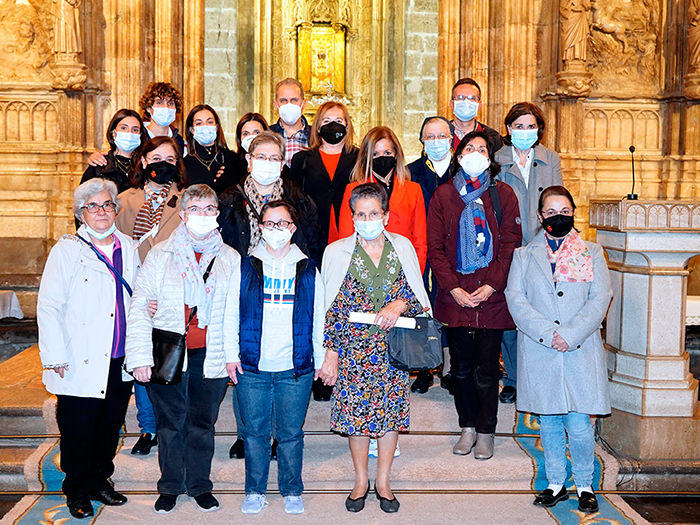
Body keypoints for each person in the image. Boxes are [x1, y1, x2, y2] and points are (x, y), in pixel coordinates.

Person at [125, 184, 241, 514]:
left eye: (209, 210)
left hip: (211, 352)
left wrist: (232, 357)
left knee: (202, 424)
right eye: (195, 210)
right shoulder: (161, 254)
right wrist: (139, 358)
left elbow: (233, 312)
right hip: (168, 350)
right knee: (170, 423)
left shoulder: (229, 257)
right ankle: (171, 485)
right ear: (184, 214)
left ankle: (200, 485)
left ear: (217, 214)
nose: (202, 216)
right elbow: (139, 306)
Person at [323, 183, 431, 514]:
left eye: (374, 213)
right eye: (361, 214)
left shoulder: (403, 248)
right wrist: (331, 354)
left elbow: (419, 296)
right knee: (356, 418)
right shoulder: (337, 251)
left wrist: (398, 305)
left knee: (388, 418)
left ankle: (383, 481)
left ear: (385, 215)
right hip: (353, 350)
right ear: (352, 216)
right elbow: (331, 309)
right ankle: (360, 480)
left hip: (392, 349)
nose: (367, 219)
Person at [505, 185, 612, 515]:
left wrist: (570, 333)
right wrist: (548, 334)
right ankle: (555, 483)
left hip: (580, 349)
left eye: (564, 211)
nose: (558, 217)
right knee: (549, 423)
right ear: (540, 216)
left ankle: (584, 484)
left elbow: (600, 298)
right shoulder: (523, 256)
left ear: (573, 213)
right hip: (541, 350)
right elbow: (516, 299)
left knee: (580, 425)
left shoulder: (591, 252)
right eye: (551, 212)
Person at [37, 179, 140, 519]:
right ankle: (77, 489)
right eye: (93, 206)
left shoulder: (128, 245)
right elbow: (49, 306)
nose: (101, 211)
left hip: (119, 356)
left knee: (110, 425)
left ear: (115, 209)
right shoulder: (66, 249)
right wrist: (54, 358)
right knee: (78, 427)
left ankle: (100, 480)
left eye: (107, 205)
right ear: (80, 213)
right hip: (79, 356)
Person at [227, 200, 336, 515]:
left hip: (294, 368)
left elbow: (318, 319)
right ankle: (255, 489)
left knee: (290, 433)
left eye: (282, 223)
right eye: (269, 223)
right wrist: (231, 355)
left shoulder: (307, 269)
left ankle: (291, 489)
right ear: (261, 228)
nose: (275, 229)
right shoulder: (245, 266)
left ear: (292, 228)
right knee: (255, 432)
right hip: (253, 367)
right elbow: (230, 314)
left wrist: (318, 358)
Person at [427, 130, 522, 460]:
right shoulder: (442, 196)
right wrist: (452, 286)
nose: (476, 153)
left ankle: (486, 432)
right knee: (462, 370)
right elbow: (435, 248)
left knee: (486, 371)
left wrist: (492, 285)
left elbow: (511, 245)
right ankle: (466, 427)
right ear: (459, 154)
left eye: (483, 149)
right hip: (455, 298)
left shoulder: (504, 195)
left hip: (491, 298)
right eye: (470, 148)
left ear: (491, 157)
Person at [116, 135, 188, 455]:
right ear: (143, 161)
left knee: (163, 358)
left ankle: (168, 422)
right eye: (156, 157)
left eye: (170, 160)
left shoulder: (185, 201)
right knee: (140, 356)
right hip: (132, 288)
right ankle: (147, 427)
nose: (163, 164)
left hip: (168, 289)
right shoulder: (123, 200)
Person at [289, 101, 358, 402]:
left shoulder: (357, 157)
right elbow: (293, 202)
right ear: (317, 126)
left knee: (346, 307)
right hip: (313, 243)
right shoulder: (303, 159)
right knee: (316, 309)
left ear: (347, 124)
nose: (333, 125)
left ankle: (346, 371)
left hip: (348, 241)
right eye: (327, 119)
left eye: (339, 119)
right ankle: (318, 373)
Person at [495, 102, 563, 405]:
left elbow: (558, 200)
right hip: (508, 248)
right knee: (512, 313)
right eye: (518, 126)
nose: (525, 132)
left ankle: (539, 375)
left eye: (530, 126)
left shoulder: (550, 159)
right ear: (509, 129)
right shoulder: (496, 159)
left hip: (542, 246)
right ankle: (511, 377)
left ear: (539, 129)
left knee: (542, 311)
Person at [218, 130, 320, 263]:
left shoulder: (299, 201)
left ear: (282, 164)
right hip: (242, 274)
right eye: (260, 157)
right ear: (249, 160)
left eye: (274, 158)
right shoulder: (229, 201)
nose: (267, 162)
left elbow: (312, 246)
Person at [407, 116, 454, 394]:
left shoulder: (461, 170)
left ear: (451, 138)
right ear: (422, 141)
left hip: (452, 250)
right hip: (419, 247)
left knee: (447, 303)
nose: (436, 141)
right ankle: (424, 368)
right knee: (422, 302)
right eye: (430, 136)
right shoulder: (411, 171)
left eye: (441, 136)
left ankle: (448, 368)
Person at [337, 126, 427, 273]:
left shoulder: (413, 190)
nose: (382, 157)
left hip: (403, 266)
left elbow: (420, 242)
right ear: (367, 157)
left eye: (387, 152)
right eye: (375, 154)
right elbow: (345, 239)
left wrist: (414, 275)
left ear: (396, 154)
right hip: (364, 269)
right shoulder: (353, 189)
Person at [86, 82, 186, 168]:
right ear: (148, 108)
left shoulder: (180, 141)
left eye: (170, 103)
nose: (166, 107)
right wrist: (97, 157)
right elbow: (115, 156)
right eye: (159, 102)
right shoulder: (134, 136)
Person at [80, 108, 148, 193]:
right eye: (124, 128)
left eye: (135, 130)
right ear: (113, 132)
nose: (129, 133)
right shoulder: (100, 164)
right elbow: (84, 198)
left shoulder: (145, 164)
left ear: (140, 135)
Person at [183, 104, 239, 194]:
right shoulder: (184, 164)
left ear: (216, 127)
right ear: (191, 130)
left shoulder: (232, 158)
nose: (205, 126)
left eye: (209, 122)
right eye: (199, 123)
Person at [449, 78, 502, 153]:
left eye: (472, 98)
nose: (466, 102)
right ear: (451, 104)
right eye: (460, 98)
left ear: (479, 105)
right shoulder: (441, 135)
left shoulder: (493, 137)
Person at [270, 78, 311, 166]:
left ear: (303, 104)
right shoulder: (267, 134)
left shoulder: (316, 136)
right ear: (276, 105)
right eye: (283, 101)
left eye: (294, 100)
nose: (289, 105)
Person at [228, 112, 271, 189]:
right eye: (246, 134)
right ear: (239, 138)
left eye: (257, 132)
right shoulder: (232, 165)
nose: (251, 137)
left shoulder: (275, 163)